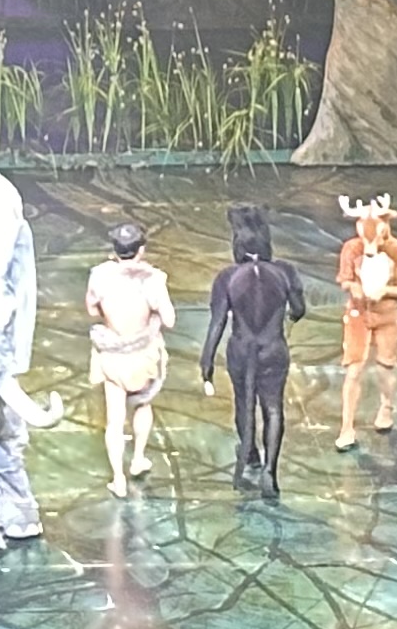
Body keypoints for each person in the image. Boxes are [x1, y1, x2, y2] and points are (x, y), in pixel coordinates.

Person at [198, 202, 311, 495]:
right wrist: (288, 313)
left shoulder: (227, 277)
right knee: (273, 408)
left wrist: (206, 360)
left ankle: (250, 456)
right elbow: (299, 309)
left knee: (243, 403)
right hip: (273, 349)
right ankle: (270, 473)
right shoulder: (285, 271)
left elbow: (218, 322)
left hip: (240, 349)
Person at [84, 220, 178, 496]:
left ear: (115, 250)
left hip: (112, 354)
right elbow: (170, 320)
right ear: (141, 249)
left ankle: (118, 479)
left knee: (115, 418)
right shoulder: (153, 279)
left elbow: (91, 310)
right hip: (143, 355)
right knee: (143, 404)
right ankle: (138, 458)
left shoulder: (99, 276)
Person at [333, 193, 397, 448]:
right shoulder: (351, 248)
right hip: (359, 313)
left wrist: (385, 291)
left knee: (385, 366)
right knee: (354, 368)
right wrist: (353, 287)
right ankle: (347, 426)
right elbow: (345, 278)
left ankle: (386, 407)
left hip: (387, 314)